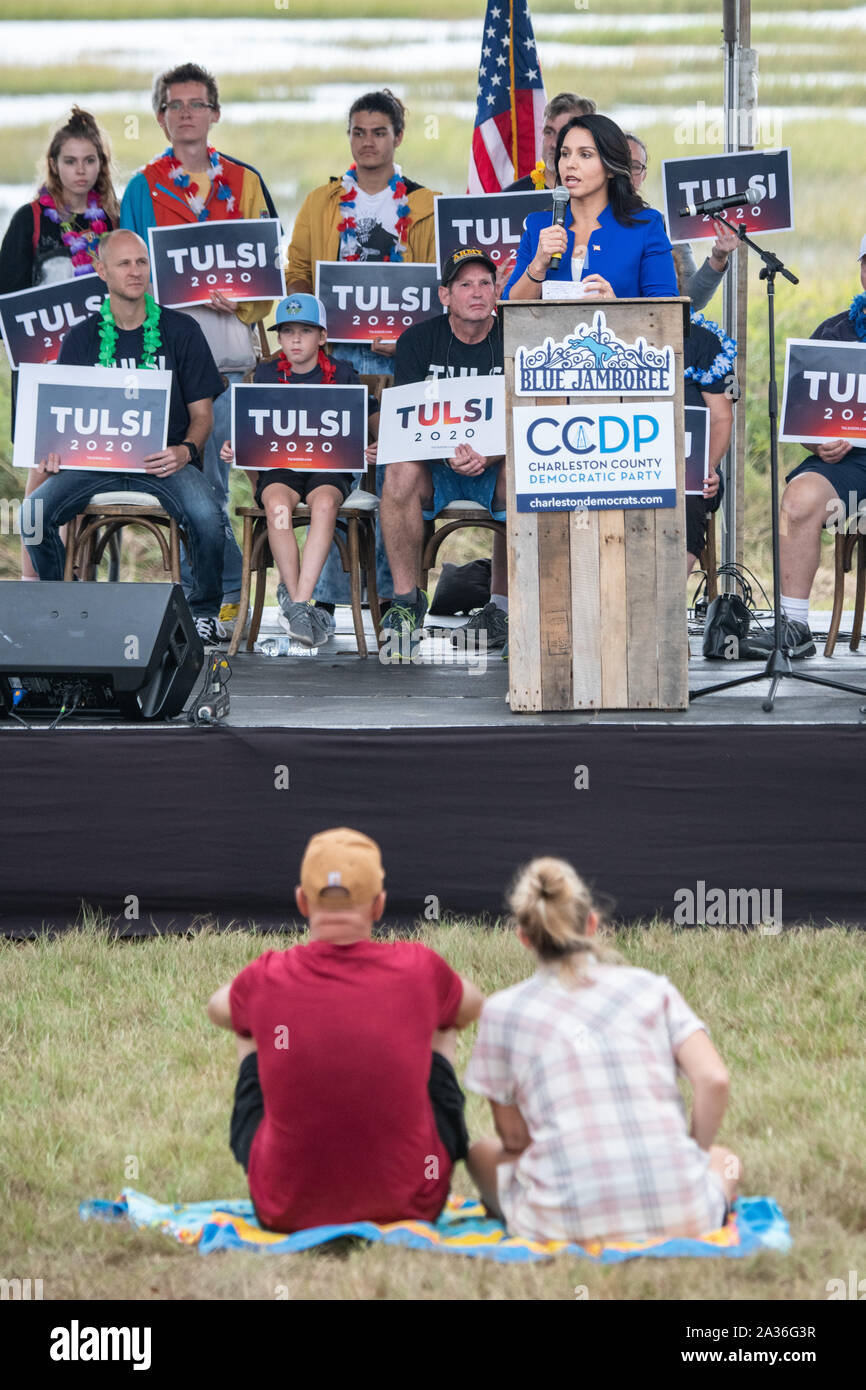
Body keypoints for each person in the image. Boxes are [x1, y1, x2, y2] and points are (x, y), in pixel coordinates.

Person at [206, 827, 485, 1234]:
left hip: (283, 1210)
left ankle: (289, 1172)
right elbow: (472, 1006)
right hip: (412, 1205)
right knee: (444, 1021)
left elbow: (217, 1009)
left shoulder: (266, 977)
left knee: (246, 1026)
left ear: (302, 901)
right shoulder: (419, 968)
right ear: (379, 905)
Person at [465, 857, 741, 1245]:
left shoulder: (502, 1011)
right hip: (686, 1214)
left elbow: (513, 1141)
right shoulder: (652, 988)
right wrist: (692, 1156)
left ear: (524, 937)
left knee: (480, 1153)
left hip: (560, 1224)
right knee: (726, 1160)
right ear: (592, 924)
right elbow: (714, 1079)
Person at [120, 62, 275, 635]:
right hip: (176, 369)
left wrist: (247, 302)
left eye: (196, 103)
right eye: (174, 105)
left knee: (257, 479)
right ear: (161, 119)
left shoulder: (245, 181)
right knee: (199, 488)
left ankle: (260, 600)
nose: (186, 113)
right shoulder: (142, 187)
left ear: (215, 113)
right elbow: (128, 275)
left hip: (237, 358)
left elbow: (270, 272)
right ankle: (215, 600)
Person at [21, 230, 228, 644]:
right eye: (124, 263)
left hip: (163, 463)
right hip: (95, 464)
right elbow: (64, 421)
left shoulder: (181, 330)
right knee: (31, 515)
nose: (136, 272)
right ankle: (62, 606)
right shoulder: (81, 338)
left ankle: (203, 611)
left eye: (141, 263)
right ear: (101, 270)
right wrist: (55, 453)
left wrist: (185, 451)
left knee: (209, 518)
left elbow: (202, 416)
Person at [285, 89, 439, 620]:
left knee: (393, 470)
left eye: (378, 131)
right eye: (358, 131)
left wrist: (405, 334)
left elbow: (436, 284)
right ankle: (326, 598)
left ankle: (386, 597)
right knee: (336, 465)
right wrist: (318, 322)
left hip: (400, 357)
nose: (368, 141)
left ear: (398, 136)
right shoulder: (320, 202)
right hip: (338, 355)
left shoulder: (425, 204)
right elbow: (298, 270)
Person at [219, 294, 379, 648]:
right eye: (287, 331)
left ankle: (299, 601)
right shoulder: (265, 375)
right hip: (281, 468)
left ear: (322, 337)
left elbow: (367, 418)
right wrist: (234, 446)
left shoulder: (343, 374)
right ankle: (300, 605)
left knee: (324, 506)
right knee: (277, 508)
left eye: (305, 331)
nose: (294, 339)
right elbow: (250, 427)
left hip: (329, 467)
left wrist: (373, 442)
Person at [0, 106, 118, 579]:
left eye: (89, 161)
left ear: (101, 165)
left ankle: (77, 582)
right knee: (42, 476)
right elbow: (5, 302)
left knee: (87, 473)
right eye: (70, 161)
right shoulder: (29, 221)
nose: (80, 171)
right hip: (41, 377)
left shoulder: (109, 222)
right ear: (54, 164)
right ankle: (35, 583)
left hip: (96, 373)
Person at [378, 248, 508, 650]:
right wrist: (446, 451)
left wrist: (490, 454)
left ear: (497, 290)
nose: (476, 292)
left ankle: (501, 608)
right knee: (399, 472)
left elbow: (529, 416)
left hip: (497, 463)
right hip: (436, 463)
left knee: (531, 475)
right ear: (445, 295)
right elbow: (406, 419)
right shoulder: (418, 340)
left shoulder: (515, 337)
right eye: (465, 284)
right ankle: (405, 603)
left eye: (485, 283)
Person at [763, 236, 866, 659]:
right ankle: (795, 625)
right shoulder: (834, 331)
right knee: (798, 499)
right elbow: (802, 412)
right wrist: (817, 442)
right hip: (850, 465)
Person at [503, 114, 677, 302]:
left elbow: (666, 314)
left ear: (611, 168)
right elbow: (509, 311)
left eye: (585, 154)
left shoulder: (646, 225)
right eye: (565, 154)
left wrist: (618, 307)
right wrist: (537, 265)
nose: (570, 164)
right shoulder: (539, 225)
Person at [671, 247, 736, 575]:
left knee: (692, 493)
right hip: (628, 465)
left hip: (692, 468)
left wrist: (708, 466)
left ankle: (664, 611)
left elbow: (722, 417)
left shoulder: (705, 341)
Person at [626, 133, 740, 312]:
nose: (625, 172)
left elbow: (690, 299)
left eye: (634, 166)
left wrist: (718, 257)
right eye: (619, 163)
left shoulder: (662, 225)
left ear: (644, 175)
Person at [505, 92, 597, 193]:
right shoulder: (514, 197)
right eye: (549, 132)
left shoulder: (607, 195)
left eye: (564, 133)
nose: (554, 144)